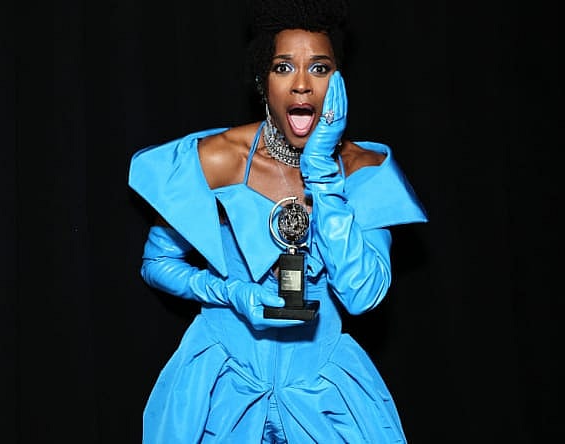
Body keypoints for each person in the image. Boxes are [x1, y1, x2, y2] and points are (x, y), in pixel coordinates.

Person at [128, 1, 427, 441]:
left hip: (323, 389)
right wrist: (229, 292)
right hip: (219, 382)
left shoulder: (366, 169)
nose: (302, 85)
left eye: (320, 69)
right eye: (284, 67)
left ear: (339, 82)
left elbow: (363, 295)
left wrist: (324, 173)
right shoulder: (217, 159)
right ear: (261, 80)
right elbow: (155, 264)